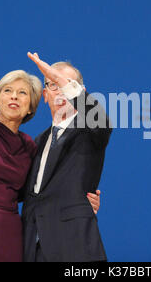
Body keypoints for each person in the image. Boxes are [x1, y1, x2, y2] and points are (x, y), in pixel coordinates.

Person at [0, 12, 101, 262]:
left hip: (12, 236)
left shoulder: (30, 146)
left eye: (22, 93)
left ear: (31, 107)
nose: (14, 96)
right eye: (8, 91)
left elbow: (34, 192)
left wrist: (79, 201)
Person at [21, 53, 112, 262]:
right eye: (53, 85)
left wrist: (58, 78)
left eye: (66, 84)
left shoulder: (90, 131)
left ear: (81, 93)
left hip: (74, 249)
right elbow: (16, 190)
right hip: (31, 250)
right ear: (44, 95)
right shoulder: (35, 143)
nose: (60, 90)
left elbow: (100, 120)